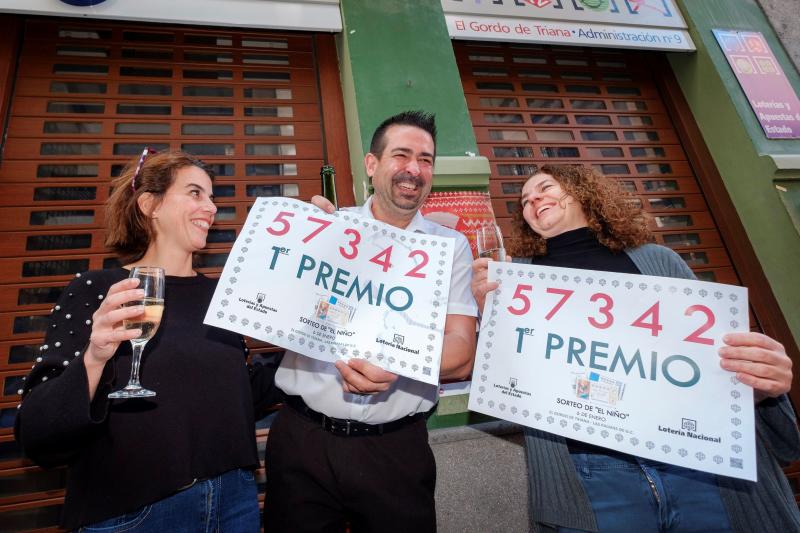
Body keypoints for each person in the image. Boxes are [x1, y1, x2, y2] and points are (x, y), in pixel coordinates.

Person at [471, 164, 800, 533]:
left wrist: (757, 377)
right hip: (592, 471)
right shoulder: (520, 280)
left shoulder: (657, 260)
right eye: (525, 201)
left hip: (692, 465)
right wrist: (493, 317)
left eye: (545, 187)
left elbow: (711, 358)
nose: (534, 200)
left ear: (582, 192)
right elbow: (515, 376)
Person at [15, 150, 281, 532]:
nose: (211, 206)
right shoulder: (100, 290)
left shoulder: (222, 297)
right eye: (194, 193)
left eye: (211, 196)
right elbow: (38, 434)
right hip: (135, 511)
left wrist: (312, 348)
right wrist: (94, 358)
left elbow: (238, 396)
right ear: (149, 204)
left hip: (234, 503)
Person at [264, 110, 479, 532]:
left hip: (396, 451)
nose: (414, 169)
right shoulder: (326, 227)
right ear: (371, 164)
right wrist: (295, 247)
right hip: (302, 444)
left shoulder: (450, 248)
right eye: (401, 155)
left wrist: (397, 364)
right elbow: (266, 310)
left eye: (426, 159)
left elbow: (462, 351)